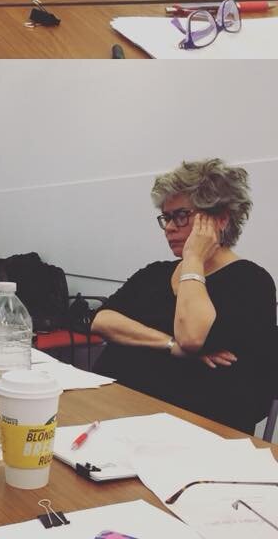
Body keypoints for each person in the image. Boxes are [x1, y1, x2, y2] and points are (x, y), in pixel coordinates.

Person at [91, 158, 278, 433]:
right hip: (119, 413)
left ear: (221, 218)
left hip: (199, 433)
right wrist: (169, 344)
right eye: (166, 218)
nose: (169, 227)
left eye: (181, 216)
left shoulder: (251, 281)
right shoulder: (154, 273)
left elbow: (191, 337)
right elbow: (102, 321)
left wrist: (193, 258)